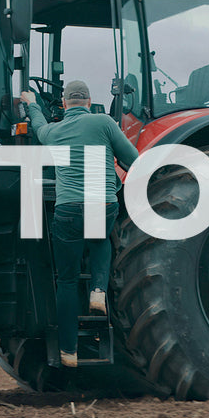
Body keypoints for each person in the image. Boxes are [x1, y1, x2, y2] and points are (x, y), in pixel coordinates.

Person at [21, 81, 139, 367]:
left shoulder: (54, 131)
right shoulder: (104, 122)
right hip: (102, 204)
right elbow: (133, 159)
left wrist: (32, 103)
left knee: (67, 280)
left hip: (68, 210)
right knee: (100, 242)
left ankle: (68, 351)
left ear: (64, 104)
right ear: (88, 101)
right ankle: (98, 291)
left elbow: (38, 126)